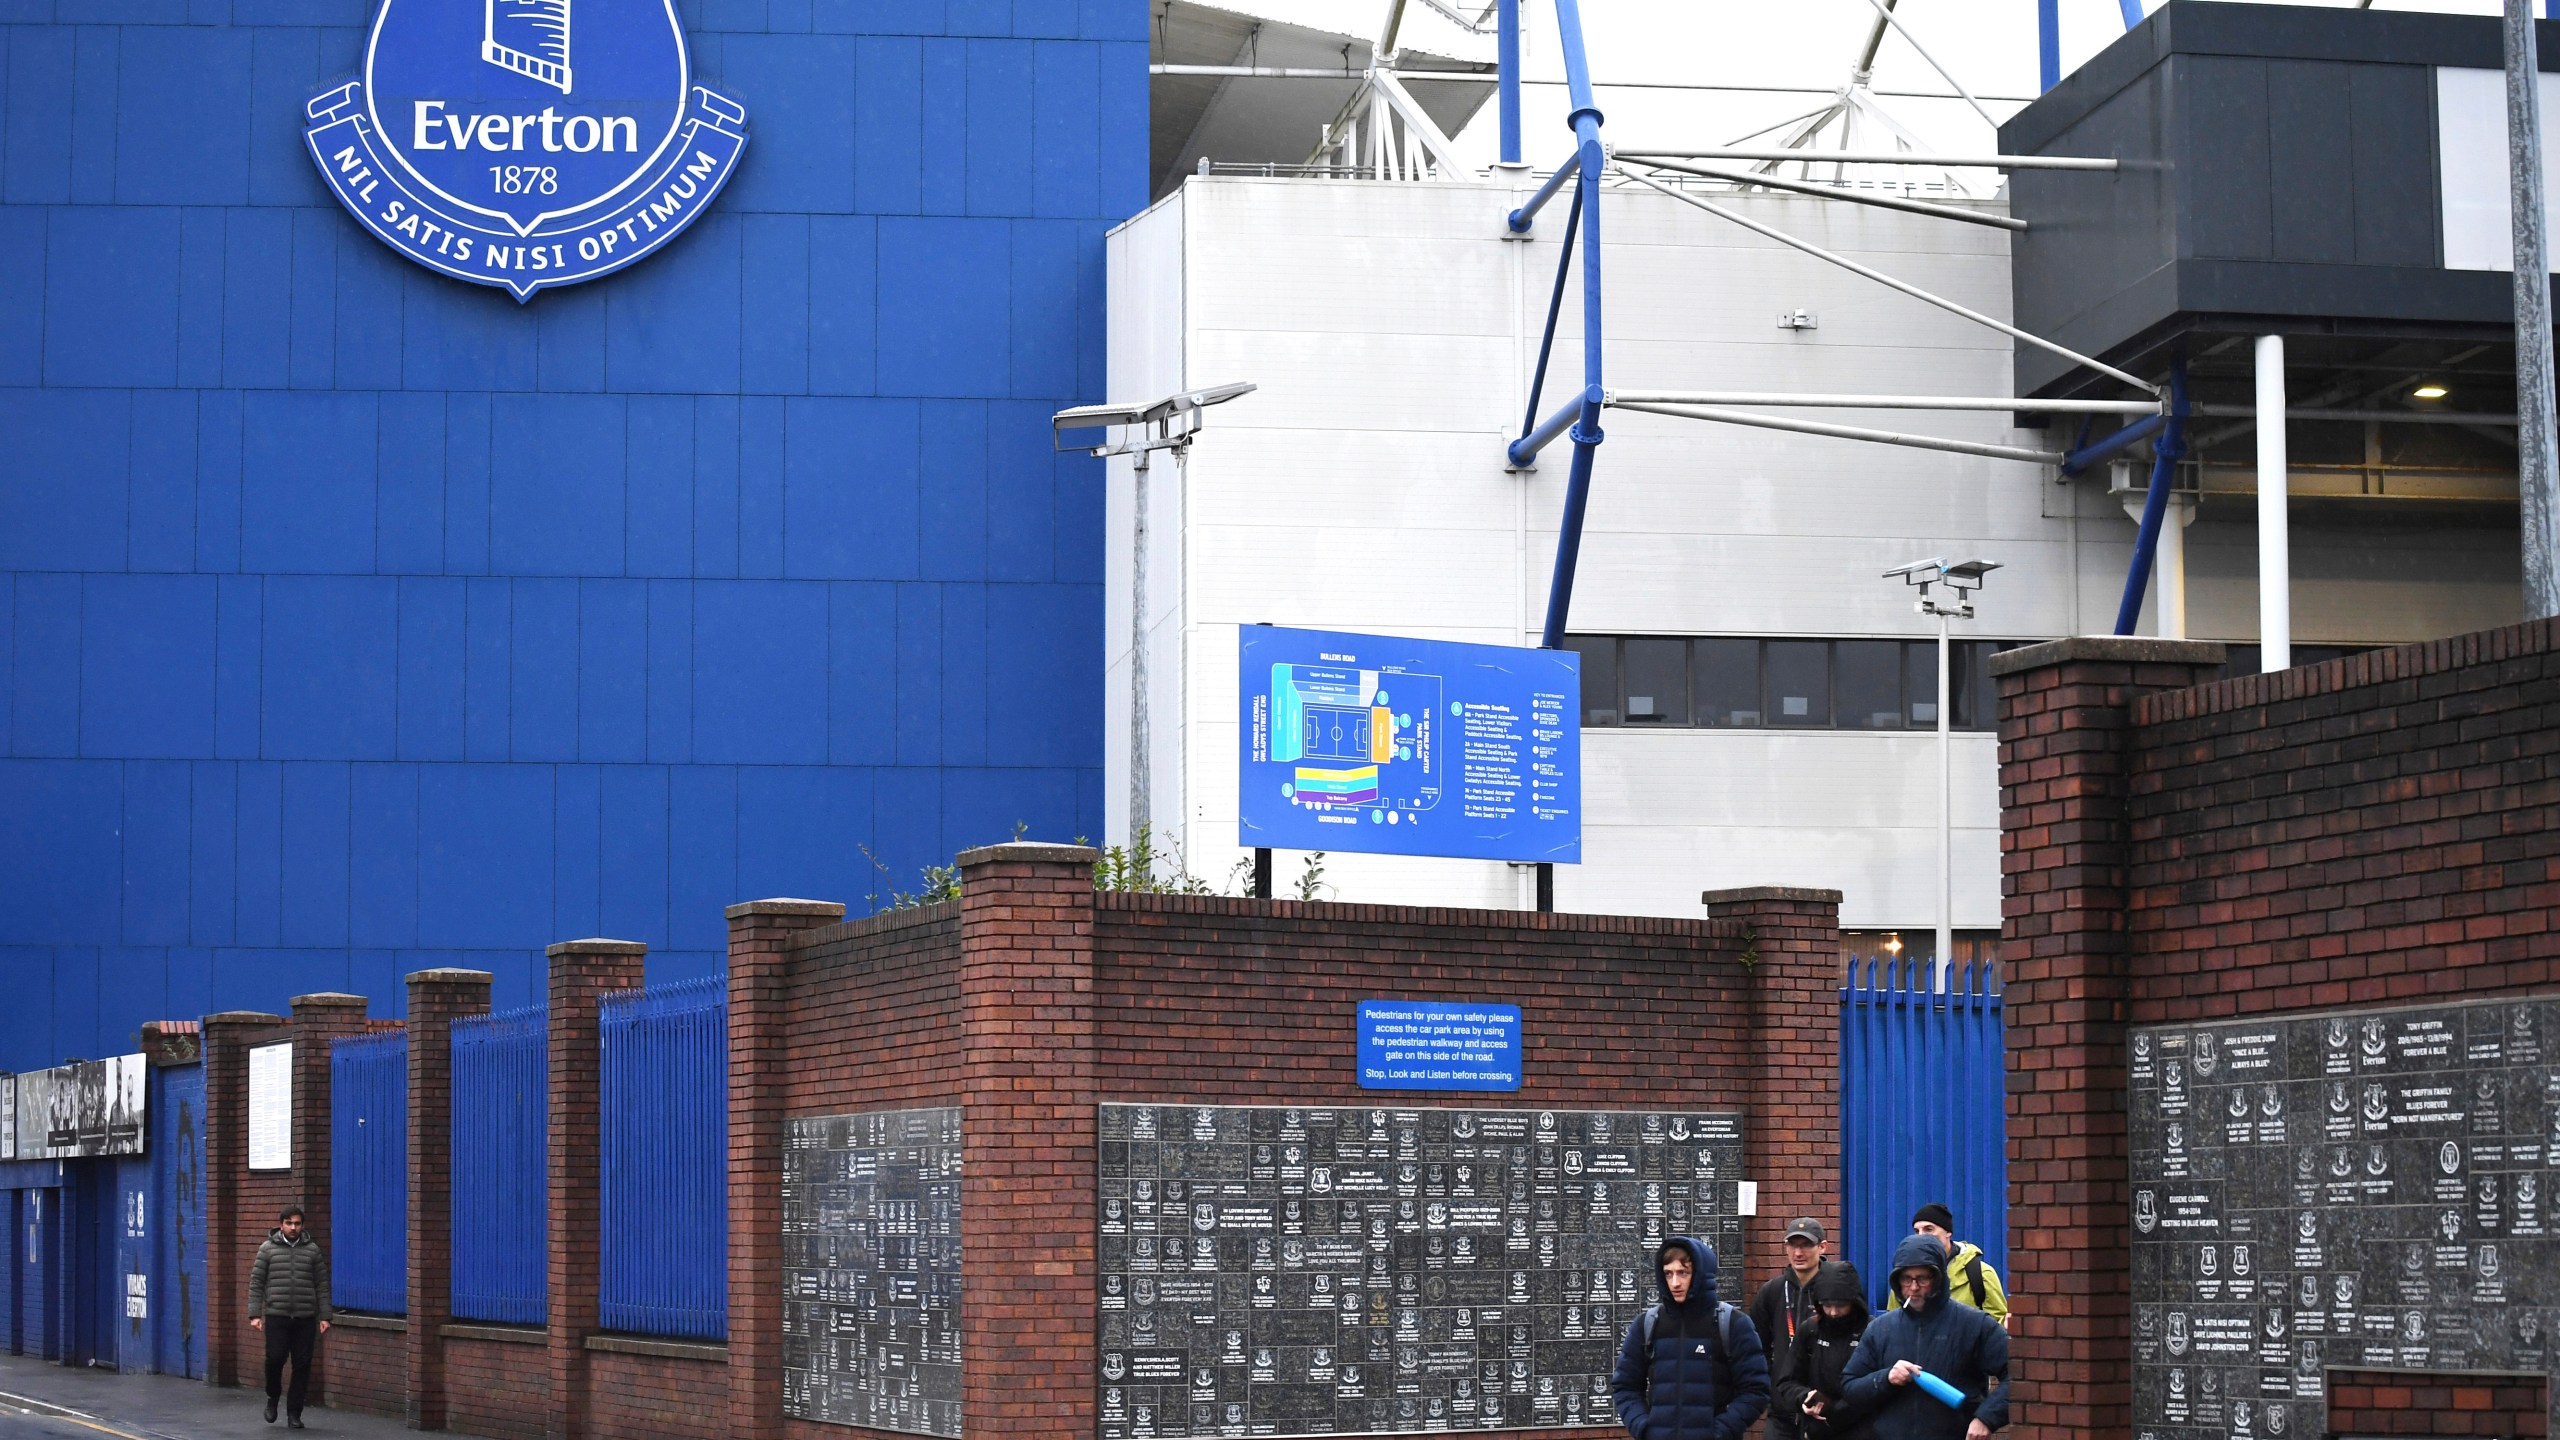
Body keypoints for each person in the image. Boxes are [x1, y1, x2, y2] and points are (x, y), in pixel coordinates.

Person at [1839, 1235, 2009, 1440]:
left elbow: (2020, 1376)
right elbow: (1850, 1386)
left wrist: (1986, 1418)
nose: (1913, 1287)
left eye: (1923, 1278)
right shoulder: (1880, 1329)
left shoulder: (1975, 1324)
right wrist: (1886, 1378)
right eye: (1906, 1279)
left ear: (1938, 1279)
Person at [1612, 1236, 1771, 1440]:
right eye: (1668, 1274)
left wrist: (1720, 1432)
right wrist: (1643, 1427)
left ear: (1700, 1274)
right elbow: (1625, 1385)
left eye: (1683, 1273)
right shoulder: (1647, 1324)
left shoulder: (1733, 1324)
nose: (1675, 1283)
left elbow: (1755, 1389)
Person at [1751, 1219, 1851, 1440]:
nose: (1798, 1252)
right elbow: (1757, 1347)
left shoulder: (1836, 1290)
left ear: (1822, 1247)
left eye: (1806, 1245)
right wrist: (1772, 1385)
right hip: (1782, 1413)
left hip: (1823, 1412)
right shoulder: (1772, 1291)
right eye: (1792, 1245)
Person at [249, 1206, 331, 1429]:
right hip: (277, 1316)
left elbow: (321, 1284)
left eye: (297, 1223)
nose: (293, 1227)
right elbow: (257, 1282)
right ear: (281, 1224)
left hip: (305, 1318)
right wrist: (255, 1313)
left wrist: (325, 1315)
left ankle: (294, 1412)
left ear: (302, 1225)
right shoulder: (267, 1249)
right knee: (274, 1360)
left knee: (302, 1365)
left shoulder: (312, 1250)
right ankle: (273, 1396)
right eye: (289, 1223)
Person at [1773, 1264, 1875, 1440]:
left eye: (1841, 1305)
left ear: (1854, 1301)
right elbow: (1787, 1381)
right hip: (1818, 1430)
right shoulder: (1810, 1330)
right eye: (1827, 1305)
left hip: (1862, 1429)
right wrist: (1804, 1398)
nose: (1833, 1312)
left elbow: (1880, 1386)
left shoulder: (1872, 1331)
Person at [1887, 1205, 2007, 1328]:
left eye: (1929, 1229)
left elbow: (1996, 1323)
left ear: (1948, 1232)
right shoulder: (1906, 1273)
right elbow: (1892, 1323)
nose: (1921, 1236)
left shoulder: (1979, 1273)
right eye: (1917, 1231)